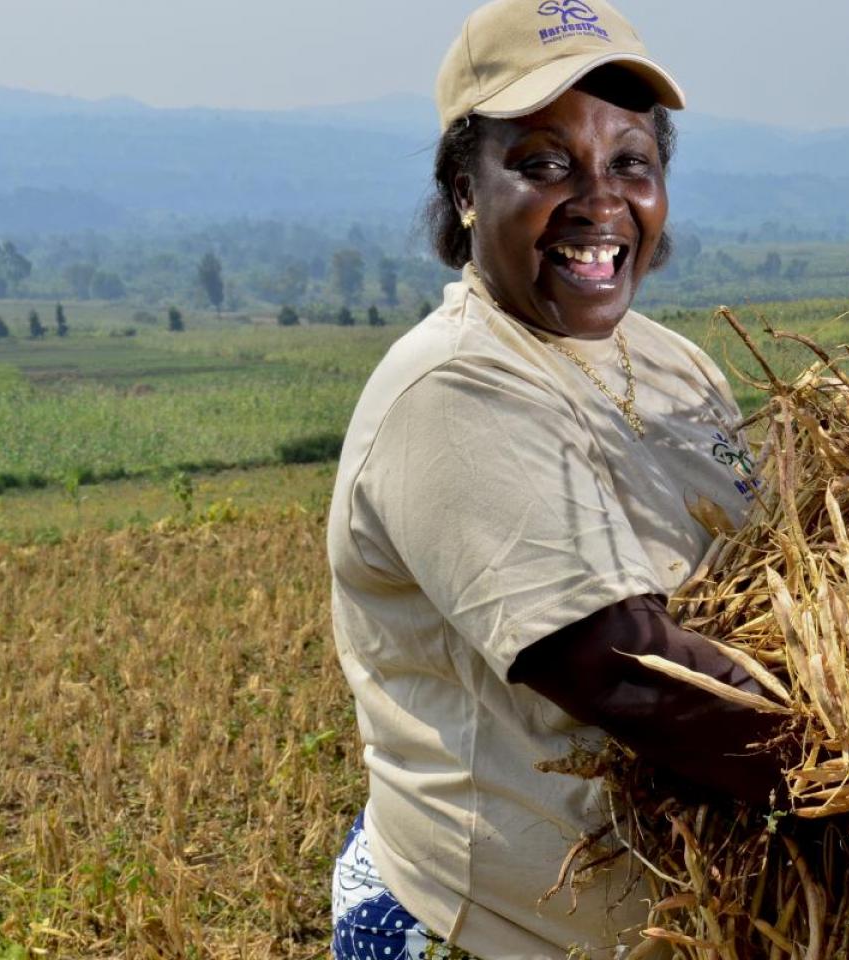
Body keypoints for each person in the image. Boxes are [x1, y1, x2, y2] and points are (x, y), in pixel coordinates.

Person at [326, 2, 780, 956]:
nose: (600, 201)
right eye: (544, 163)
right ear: (463, 188)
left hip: (672, 925)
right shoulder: (454, 388)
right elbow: (621, 668)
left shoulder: (675, 367)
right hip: (494, 929)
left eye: (631, 162)